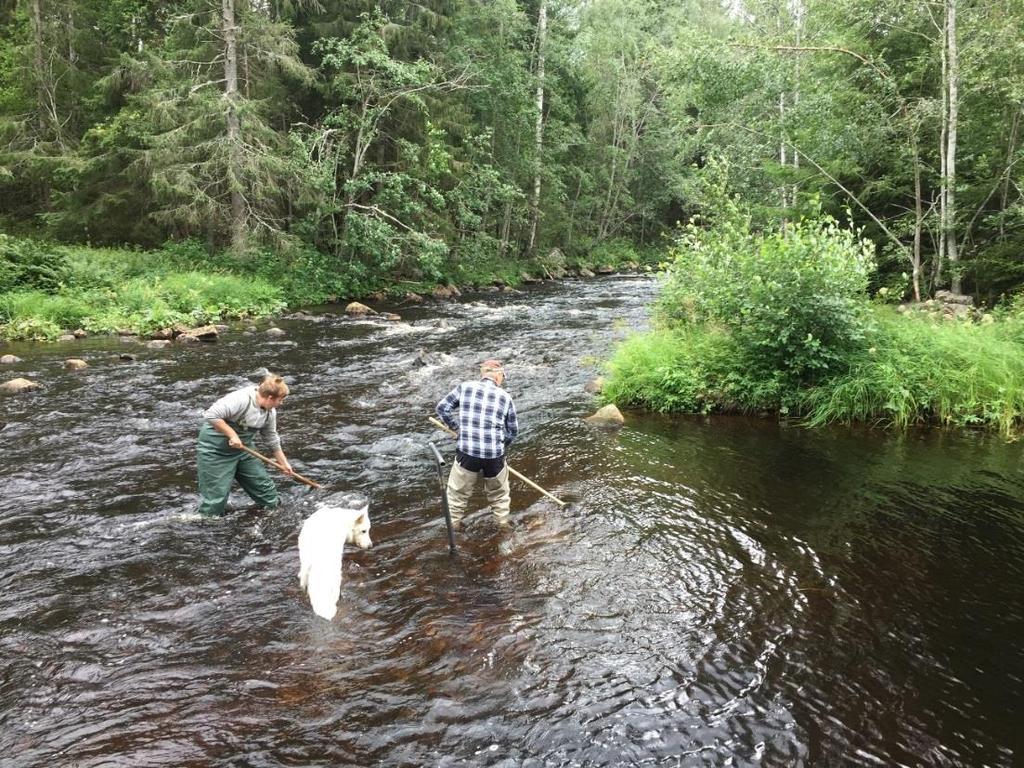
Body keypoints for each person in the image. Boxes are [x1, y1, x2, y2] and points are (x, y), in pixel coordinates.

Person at [196, 373, 294, 517]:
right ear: (270, 397)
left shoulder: (270, 412)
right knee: (215, 503)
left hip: (243, 451)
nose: (281, 403)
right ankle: (206, 528)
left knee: (268, 496)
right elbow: (211, 415)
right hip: (215, 451)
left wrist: (284, 463)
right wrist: (232, 435)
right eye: (280, 400)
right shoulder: (241, 399)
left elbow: (271, 437)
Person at [435, 359, 519, 523]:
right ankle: (503, 528)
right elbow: (513, 430)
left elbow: (442, 408)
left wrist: (456, 428)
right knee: (500, 499)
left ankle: (455, 532)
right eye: (503, 377)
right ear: (498, 376)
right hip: (494, 456)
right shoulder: (506, 397)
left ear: (483, 373)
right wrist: (501, 447)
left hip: (467, 453)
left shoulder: (465, 387)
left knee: (456, 498)